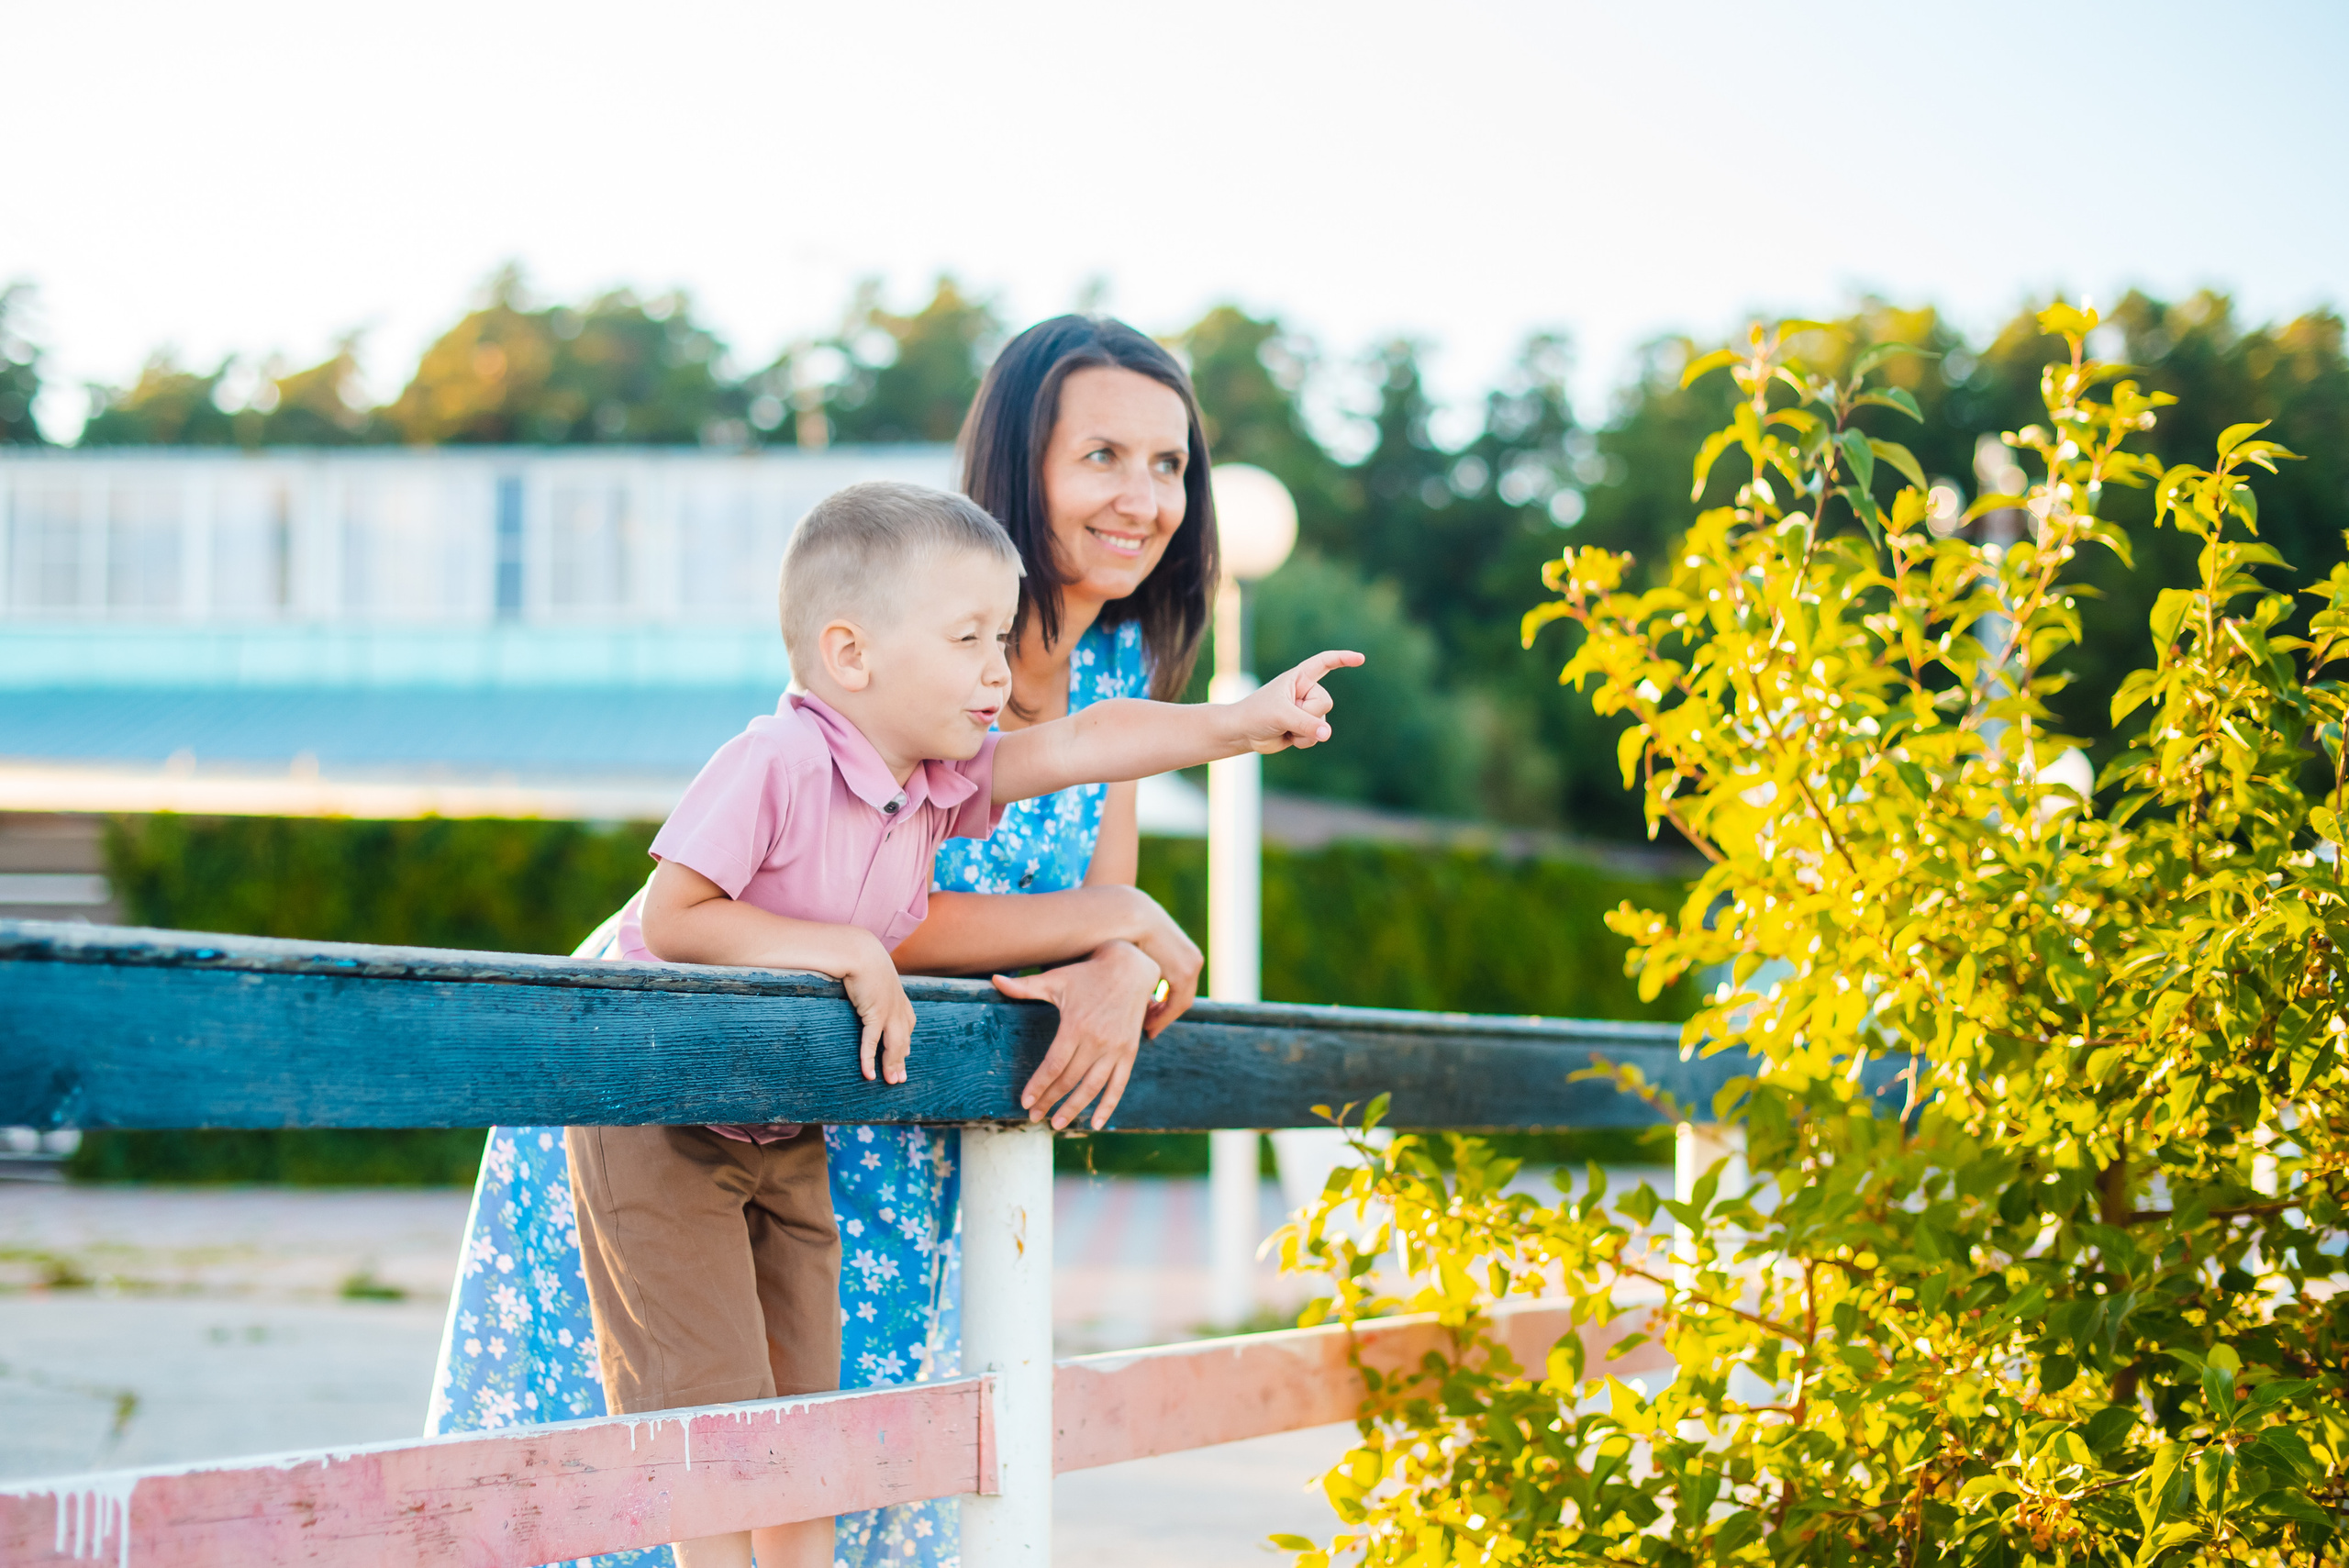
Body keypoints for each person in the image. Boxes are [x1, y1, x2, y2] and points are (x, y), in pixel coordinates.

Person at [429, 317, 1228, 1568]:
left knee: (832, 1457)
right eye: (1104, 457)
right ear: (1023, 462)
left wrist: (1120, 952)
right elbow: (885, 912)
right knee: (681, 1445)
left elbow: (1089, 897)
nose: (1143, 496)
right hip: (722, 1051)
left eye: (1170, 464)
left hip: (896, 1108)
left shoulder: (1124, 664)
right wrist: (1115, 924)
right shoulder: (932, 617)